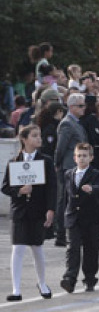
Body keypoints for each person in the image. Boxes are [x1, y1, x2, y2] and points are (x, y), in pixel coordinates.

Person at [3, 125, 56, 301]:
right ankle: (16, 289)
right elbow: (5, 186)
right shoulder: (14, 161)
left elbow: (52, 188)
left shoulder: (46, 161)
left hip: (38, 210)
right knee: (17, 248)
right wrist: (19, 191)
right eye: (34, 136)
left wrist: (50, 209)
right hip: (19, 211)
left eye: (39, 135)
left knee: (37, 248)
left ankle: (42, 283)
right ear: (24, 139)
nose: (39, 138)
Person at [61, 143, 99, 293]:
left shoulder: (95, 173)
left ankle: (90, 278)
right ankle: (70, 278)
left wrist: (92, 189)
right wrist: (63, 215)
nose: (81, 158)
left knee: (91, 248)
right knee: (72, 248)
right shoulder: (69, 174)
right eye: (79, 155)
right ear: (74, 157)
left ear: (91, 158)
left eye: (85, 155)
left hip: (90, 216)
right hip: (73, 216)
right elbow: (66, 196)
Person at [54, 94, 87, 246]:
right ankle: (60, 234)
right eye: (80, 106)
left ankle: (71, 233)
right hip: (68, 167)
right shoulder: (67, 123)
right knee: (65, 201)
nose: (83, 108)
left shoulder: (76, 123)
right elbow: (60, 148)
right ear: (72, 107)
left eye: (83, 105)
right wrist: (57, 164)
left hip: (76, 167)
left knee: (73, 201)